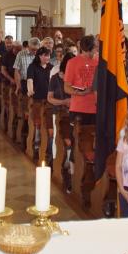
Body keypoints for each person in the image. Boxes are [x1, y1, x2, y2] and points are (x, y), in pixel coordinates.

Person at [63, 36, 98, 206]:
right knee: (77, 146)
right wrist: (81, 93)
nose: (96, 51)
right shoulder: (73, 62)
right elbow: (67, 87)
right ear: (89, 48)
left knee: (94, 147)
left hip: (97, 110)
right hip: (79, 109)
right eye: (95, 48)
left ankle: (93, 181)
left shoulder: (99, 62)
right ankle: (73, 178)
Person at [48, 52, 73, 192]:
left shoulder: (76, 77)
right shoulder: (55, 78)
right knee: (59, 140)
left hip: (74, 115)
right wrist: (64, 101)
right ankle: (57, 165)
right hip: (59, 113)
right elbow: (50, 98)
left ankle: (70, 170)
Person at [27, 47, 54, 163]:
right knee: (38, 123)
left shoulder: (51, 68)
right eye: (44, 55)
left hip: (48, 100)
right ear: (39, 56)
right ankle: (36, 145)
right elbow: (30, 80)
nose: (47, 58)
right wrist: (30, 90)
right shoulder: (32, 67)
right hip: (37, 99)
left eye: (48, 55)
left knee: (48, 124)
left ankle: (48, 148)